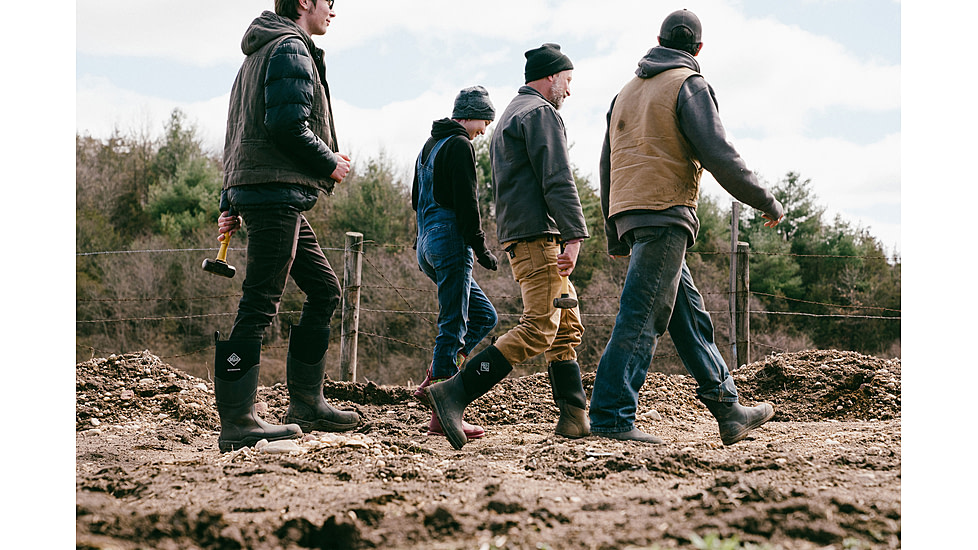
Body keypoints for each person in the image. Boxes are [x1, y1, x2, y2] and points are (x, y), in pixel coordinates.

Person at [588, 9, 785, 445]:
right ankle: (610, 415)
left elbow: (607, 164)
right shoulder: (688, 84)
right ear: (698, 49)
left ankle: (728, 408)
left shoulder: (624, 92)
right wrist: (764, 200)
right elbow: (719, 153)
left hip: (633, 214)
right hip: (665, 213)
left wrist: (613, 230)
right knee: (642, 316)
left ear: (657, 39)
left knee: (688, 316)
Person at [425, 44, 591, 450]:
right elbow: (557, 177)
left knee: (565, 328)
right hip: (540, 239)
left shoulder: (514, 115)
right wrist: (574, 235)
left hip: (528, 236)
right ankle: (453, 394)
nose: (569, 91)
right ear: (551, 76)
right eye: (567, 81)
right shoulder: (538, 113)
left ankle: (573, 418)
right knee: (539, 327)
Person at [212, 0, 359, 453]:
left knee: (325, 289)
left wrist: (229, 199)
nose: (334, 10)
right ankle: (237, 422)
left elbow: (238, 134)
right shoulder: (289, 48)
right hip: (275, 194)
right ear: (303, 2)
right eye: (329, 2)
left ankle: (307, 405)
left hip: (269, 193)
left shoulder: (259, 53)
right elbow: (285, 126)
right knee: (259, 303)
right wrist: (328, 160)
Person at [410, 86, 500, 441]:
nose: (486, 128)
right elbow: (467, 202)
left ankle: (436, 378)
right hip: (450, 241)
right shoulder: (460, 144)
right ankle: (442, 414)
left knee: (483, 316)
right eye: (485, 119)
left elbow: (416, 199)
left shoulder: (427, 148)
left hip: (426, 243)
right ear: (470, 114)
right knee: (452, 324)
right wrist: (481, 248)